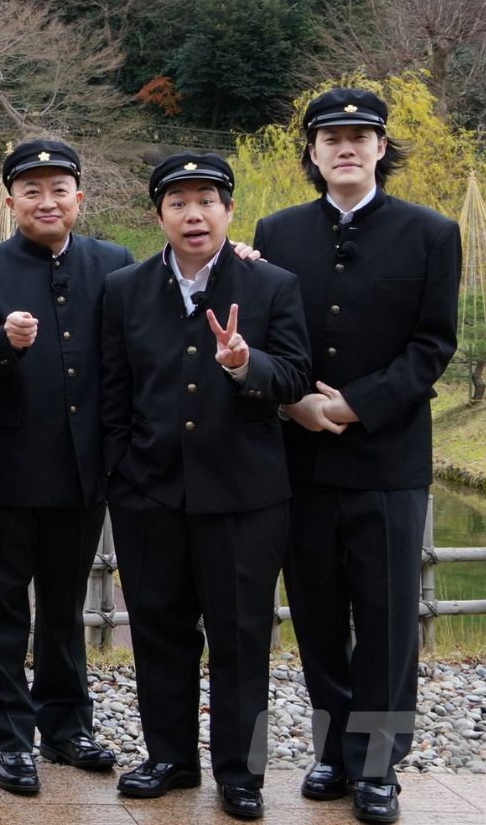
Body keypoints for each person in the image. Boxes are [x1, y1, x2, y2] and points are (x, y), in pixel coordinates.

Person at [254, 88, 460, 825]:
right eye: (330, 138)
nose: (345, 148)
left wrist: (352, 405)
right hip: (301, 460)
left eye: (360, 137)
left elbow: (432, 345)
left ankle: (378, 766)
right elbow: (268, 337)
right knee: (315, 614)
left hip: (387, 461)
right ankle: (333, 751)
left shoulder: (431, 232)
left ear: (381, 148)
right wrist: (295, 405)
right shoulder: (277, 231)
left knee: (386, 619)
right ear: (311, 153)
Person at [101, 153, 311, 821]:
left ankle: (241, 773)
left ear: (229, 209)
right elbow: (113, 394)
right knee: (159, 630)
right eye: (179, 203)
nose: (194, 214)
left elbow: (296, 376)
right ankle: (169, 757)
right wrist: (122, 476)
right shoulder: (125, 288)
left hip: (245, 496)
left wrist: (246, 363)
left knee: (242, 636)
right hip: (149, 493)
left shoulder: (271, 284)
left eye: (207, 201)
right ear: (159, 214)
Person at [0, 139, 131, 797]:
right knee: (0, 607)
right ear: (11, 203)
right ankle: (8, 739)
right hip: (6, 465)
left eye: (59, 189)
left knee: (64, 606)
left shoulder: (114, 264)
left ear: (78, 198)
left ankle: (67, 727)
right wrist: (3, 342)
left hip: (83, 467)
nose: (46, 201)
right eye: (31, 191)